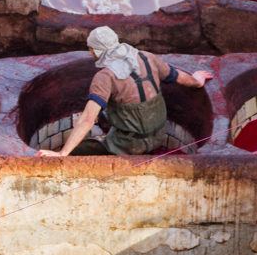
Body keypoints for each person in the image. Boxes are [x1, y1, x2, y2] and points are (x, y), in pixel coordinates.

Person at [37, 26, 213, 157]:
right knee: (105, 114)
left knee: (79, 150)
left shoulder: (105, 76)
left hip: (130, 144)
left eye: (90, 49)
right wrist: (197, 81)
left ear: (97, 51)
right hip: (158, 134)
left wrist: (63, 153)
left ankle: (109, 149)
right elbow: (178, 77)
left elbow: (88, 119)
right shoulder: (146, 57)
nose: (90, 53)